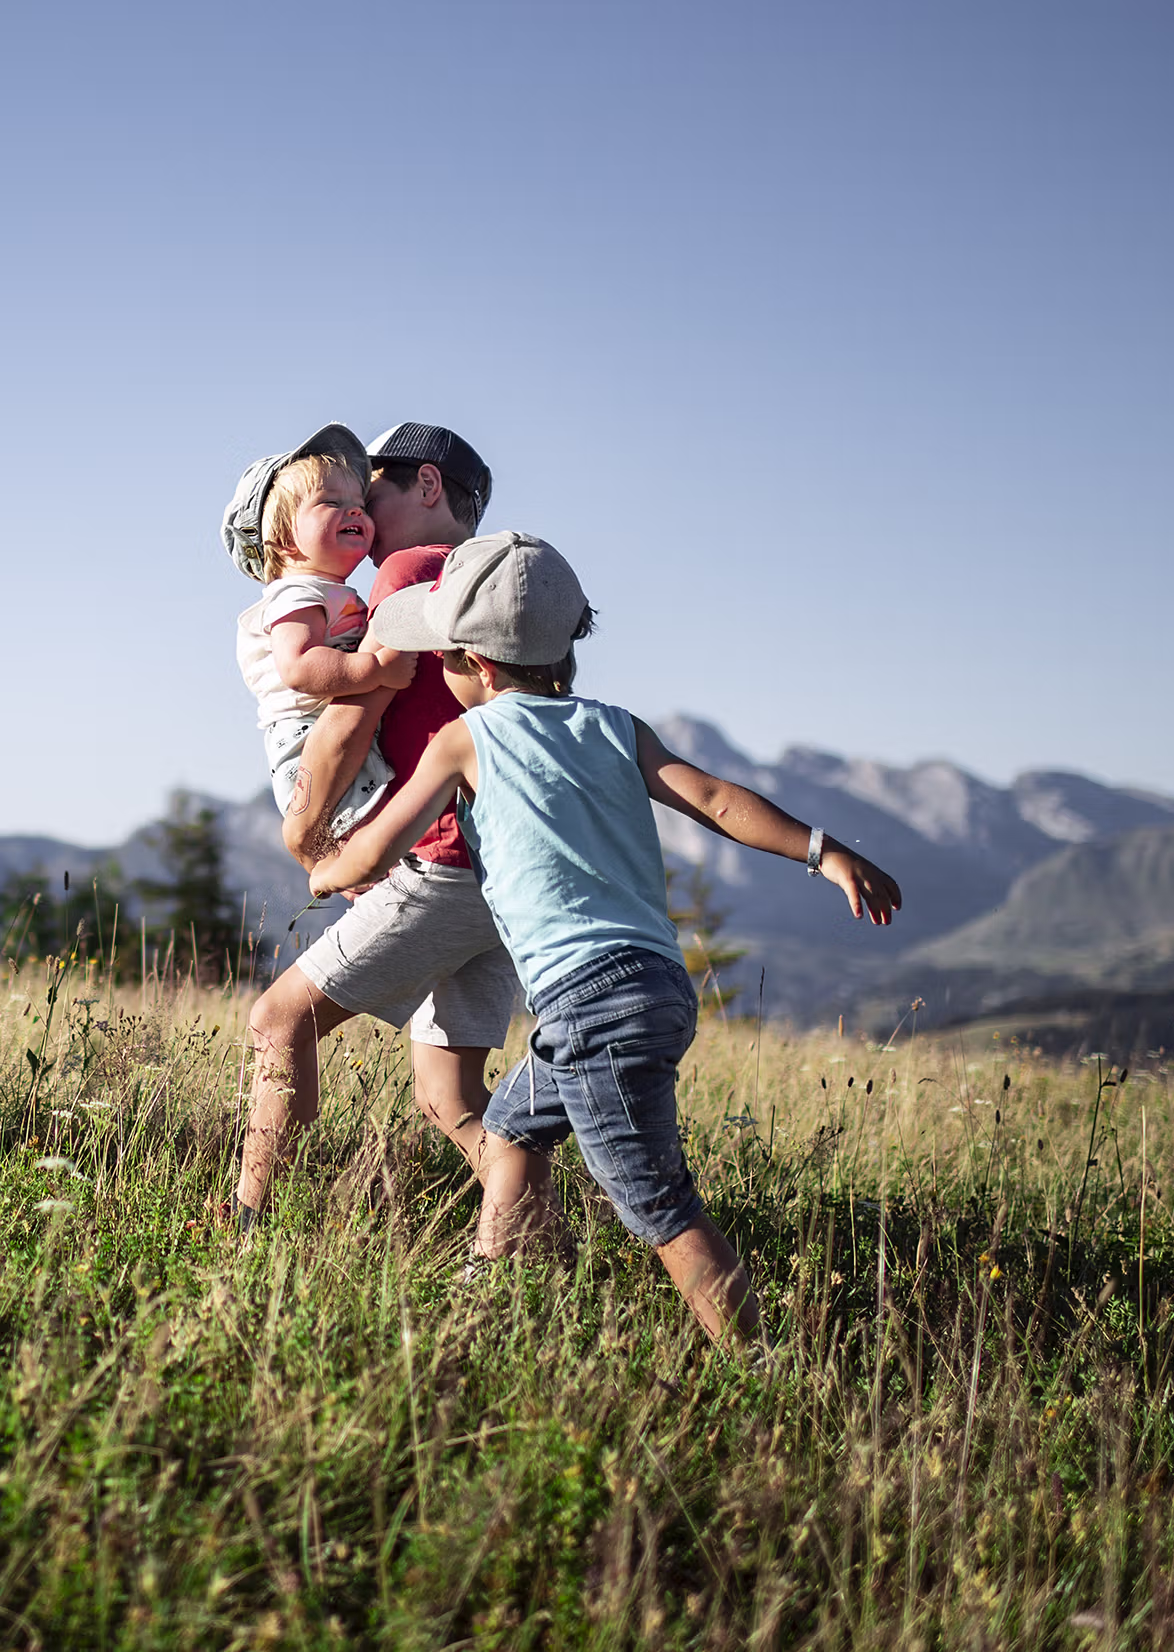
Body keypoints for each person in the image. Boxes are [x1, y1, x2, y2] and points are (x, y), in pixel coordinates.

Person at [309, 531, 903, 1342]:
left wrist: (324, 868)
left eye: (441, 656)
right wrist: (821, 850)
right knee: (512, 1128)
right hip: (653, 985)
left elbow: (377, 850)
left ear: (475, 665)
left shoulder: (465, 739)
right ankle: (493, 1288)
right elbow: (716, 800)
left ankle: (759, 1366)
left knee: (658, 1205)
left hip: (589, 1006)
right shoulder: (617, 729)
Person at [235, 422, 522, 1229]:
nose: (360, 511)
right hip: (504, 865)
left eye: (371, 492)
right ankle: (536, 1239)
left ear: (425, 486)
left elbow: (348, 724)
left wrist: (306, 830)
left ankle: (251, 1222)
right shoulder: (495, 583)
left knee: (279, 1021)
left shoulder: (403, 575)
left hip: (440, 858)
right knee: (448, 1097)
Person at [221, 422, 415, 839]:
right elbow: (301, 667)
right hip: (305, 739)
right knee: (357, 840)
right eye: (331, 502)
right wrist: (377, 670)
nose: (356, 512)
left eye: (360, 503)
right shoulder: (296, 593)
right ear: (283, 539)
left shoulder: (325, 592)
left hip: (327, 732)